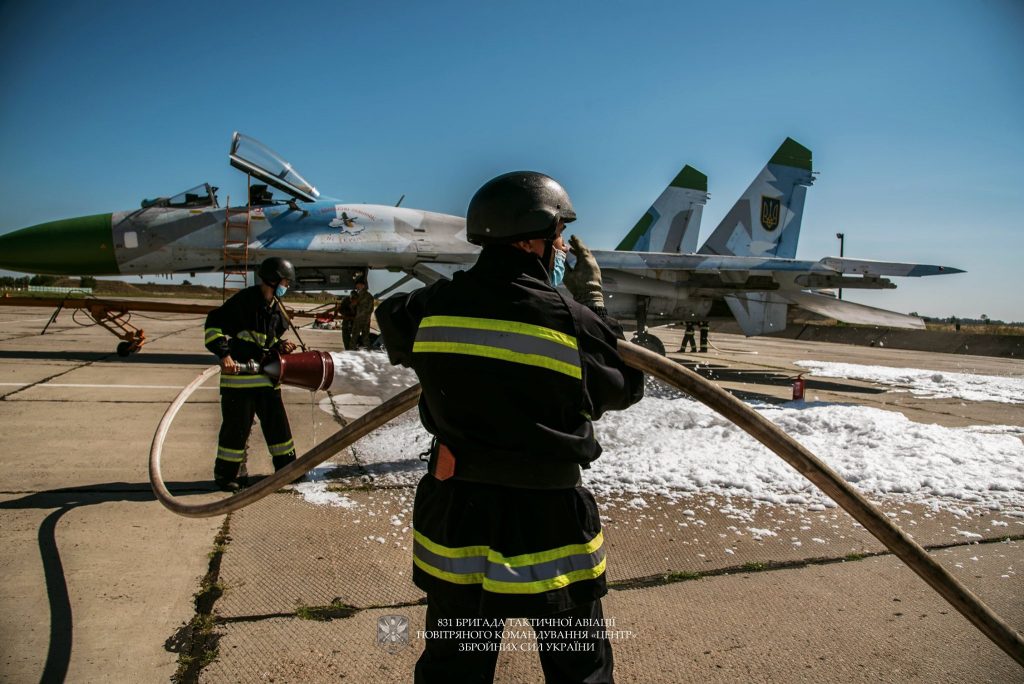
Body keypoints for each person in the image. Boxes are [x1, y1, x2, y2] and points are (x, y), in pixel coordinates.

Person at [376, 171, 645, 683]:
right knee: (578, 669)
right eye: (559, 236)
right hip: (548, 519)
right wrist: (593, 306)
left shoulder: (429, 308)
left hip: (458, 513)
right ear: (532, 239)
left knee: (454, 666)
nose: (562, 247)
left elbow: (390, 319)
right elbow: (625, 386)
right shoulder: (572, 321)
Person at [204, 257, 298, 491]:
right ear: (273, 280)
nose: (287, 286)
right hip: (239, 381)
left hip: (267, 380)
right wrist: (224, 355)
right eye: (285, 281)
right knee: (236, 431)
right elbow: (213, 326)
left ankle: (287, 469)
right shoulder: (244, 302)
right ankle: (226, 476)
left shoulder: (276, 309)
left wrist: (281, 346)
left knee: (279, 428)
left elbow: (269, 341)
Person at [351, 280, 375, 349]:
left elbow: (353, 305)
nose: (357, 287)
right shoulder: (370, 296)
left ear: (363, 286)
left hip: (359, 318)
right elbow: (371, 309)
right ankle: (368, 351)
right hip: (366, 319)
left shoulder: (359, 295)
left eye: (358, 285)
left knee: (354, 337)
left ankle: (351, 351)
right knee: (365, 337)